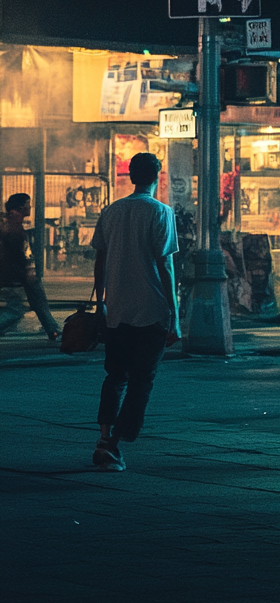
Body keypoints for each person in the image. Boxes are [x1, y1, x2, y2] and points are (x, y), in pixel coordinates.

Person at [90, 153, 180, 472]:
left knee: (115, 376)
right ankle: (113, 445)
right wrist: (175, 314)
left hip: (117, 310)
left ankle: (103, 438)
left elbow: (99, 259)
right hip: (151, 310)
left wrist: (101, 300)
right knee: (142, 380)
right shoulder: (161, 212)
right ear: (158, 177)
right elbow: (165, 265)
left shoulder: (111, 211)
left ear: (130, 177)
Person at [0, 193, 62, 343]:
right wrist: (29, 269)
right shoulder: (12, 224)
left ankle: (53, 330)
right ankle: (53, 330)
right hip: (18, 274)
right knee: (18, 307)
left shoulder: (13, 222)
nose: (30, 207)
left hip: (20, 273)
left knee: (38, 300)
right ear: (20, 207)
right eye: (28, 205)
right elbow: (18, 252)